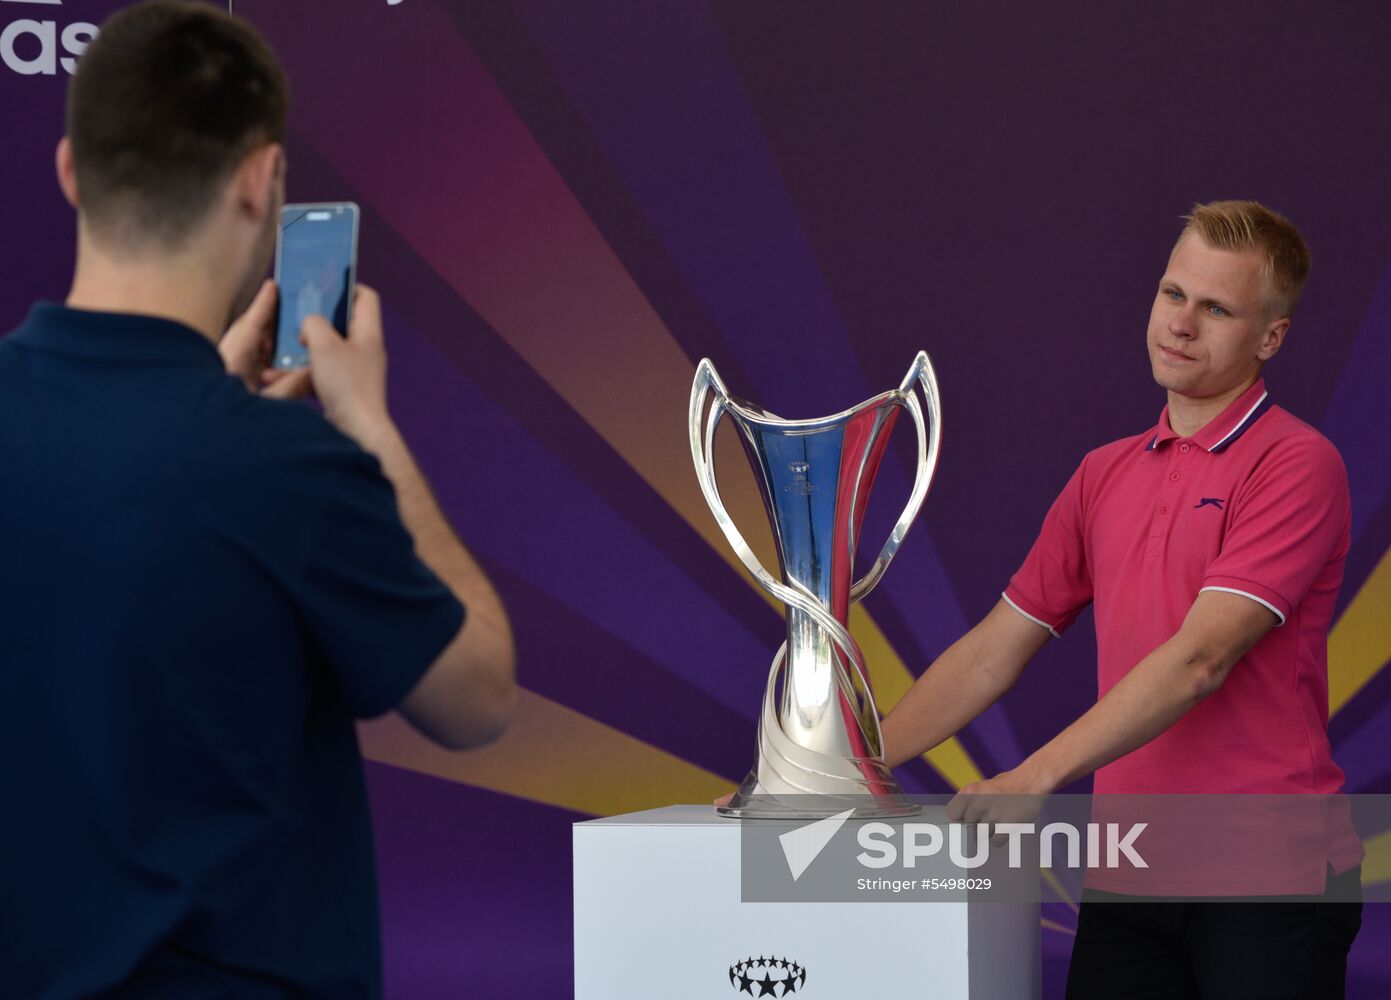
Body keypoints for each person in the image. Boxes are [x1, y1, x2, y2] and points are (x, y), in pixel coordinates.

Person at [0, 3, 516, 997]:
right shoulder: (284, 465)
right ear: (257, 182)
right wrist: (368, 429)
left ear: (70, 170)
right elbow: (477, 695)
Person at [880, 200, 1362, 998]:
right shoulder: (1103, 472)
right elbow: (994, 648)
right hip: (1132, 871)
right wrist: (844, 772)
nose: (1181, 323)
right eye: (1173, 294)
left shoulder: (1296, 464)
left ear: (1269, 337)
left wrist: (1030, 779)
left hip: (1271, 876)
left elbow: (1199, 659)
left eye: (1217, 308)